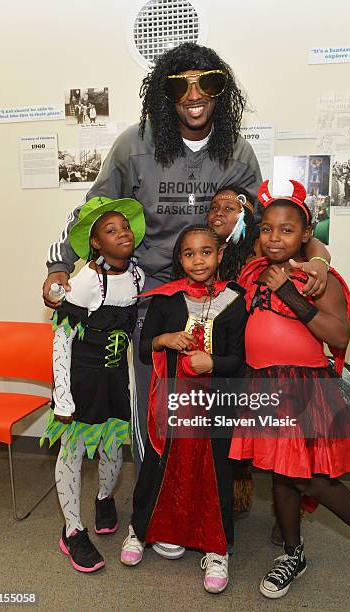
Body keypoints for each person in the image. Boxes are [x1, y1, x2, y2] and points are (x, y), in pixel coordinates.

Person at [43, 43, 329, 467]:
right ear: (165, 93)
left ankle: (205, 498)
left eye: (207, 83)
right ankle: (151, 503)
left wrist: (319, 254)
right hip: (153, 292)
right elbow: (94, 210)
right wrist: (60, 266)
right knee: (152, 399)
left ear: (221, 91)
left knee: (210, 399)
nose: (194, 96)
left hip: (217, 294)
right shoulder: (134, 145)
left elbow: (273, 226)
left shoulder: (237, 152)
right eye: (181, 86)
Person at [229, 180, 350, 600]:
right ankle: (293, 552)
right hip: (263, 384)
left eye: (286, 229)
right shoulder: (254, 272)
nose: (275, 237)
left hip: (303, 388)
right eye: (267, 228)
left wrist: (292, 290)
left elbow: (339, 334)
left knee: (312, 480)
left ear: (306, 234)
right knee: (281, 477)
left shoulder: (316, 278)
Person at [120, 225, 247, 594]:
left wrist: (214, 364)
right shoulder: (165, 299)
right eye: (189, 254)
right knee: (160, 466)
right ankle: (141, 530)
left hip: (216, 405)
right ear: (180, 259)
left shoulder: (235, 300)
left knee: (214, 473)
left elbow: (238, 360)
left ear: (220, 255)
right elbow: (145, 349)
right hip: (173, 402)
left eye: (206, 252)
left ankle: (217, 548)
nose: (198, 260)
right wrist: (165, 339)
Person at [40, 197, 146, 573]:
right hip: (81, 382)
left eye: (125, 227)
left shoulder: (137, 277)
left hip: (114, 381)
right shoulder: (87, 281)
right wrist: (63, 396)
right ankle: (72, 530)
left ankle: (104, 498)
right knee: (72, 453)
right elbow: (61, 338)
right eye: (111, 230)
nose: (123, 234)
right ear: (95, 243)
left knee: (113, 451)